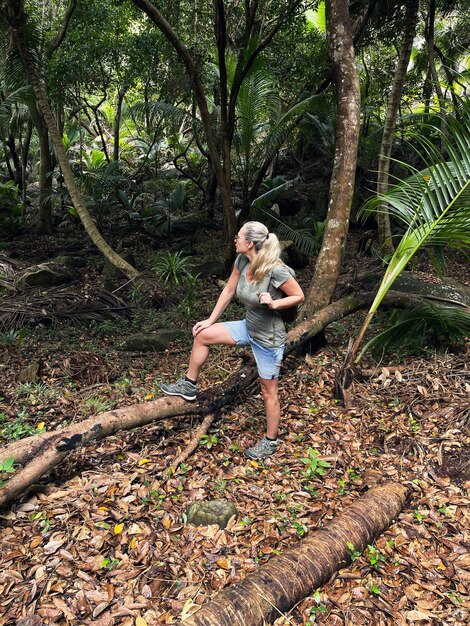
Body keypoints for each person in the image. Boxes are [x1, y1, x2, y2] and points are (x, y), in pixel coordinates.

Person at [161, 221, 305, 460]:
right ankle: (189, 385)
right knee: (202, 335)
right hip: (247, 327)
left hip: (268, 338)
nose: (234, 240)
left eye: (238, 237)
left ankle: (270, 441)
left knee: (268, 392)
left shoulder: (274, 269)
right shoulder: (241, 261)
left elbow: (298, 295)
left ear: (249, 243)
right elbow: (228, 291)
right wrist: (210, 320)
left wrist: (274, 303)